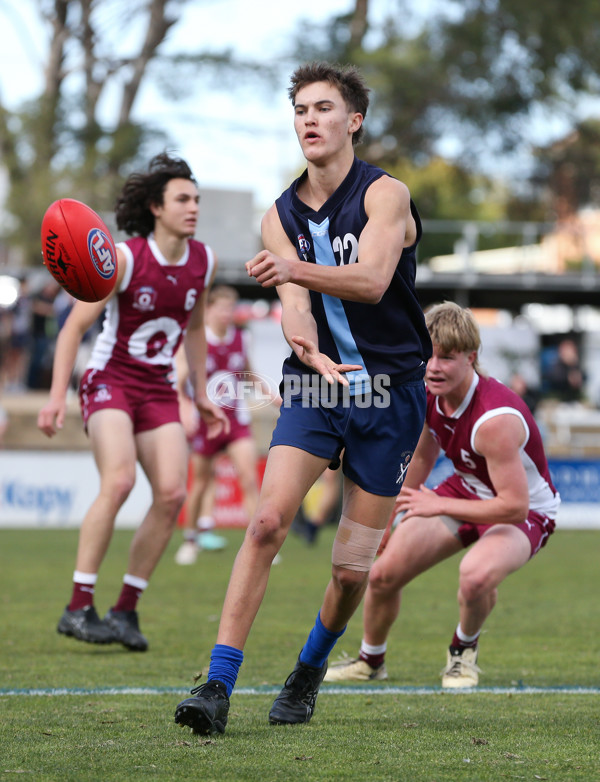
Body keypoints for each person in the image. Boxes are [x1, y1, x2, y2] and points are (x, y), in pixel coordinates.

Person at [174, 61, 431, 735]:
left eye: (323, 108)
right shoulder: (279, 214)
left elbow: (373, 281)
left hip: (390, 394)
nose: (309, 119)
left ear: (354, 121)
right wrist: (306, 342)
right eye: (299, 110)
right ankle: (217, 685)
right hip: (315, 386)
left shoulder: (386, 196)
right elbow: (295, 306)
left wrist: (292, 270)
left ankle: (309, 669)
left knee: (350, 571)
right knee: (264, 523)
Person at [38, 153, 228, 651]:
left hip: (160, 388)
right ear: (156, 207)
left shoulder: (203, 261)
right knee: (119, 481)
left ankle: (125, 610)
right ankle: (78, 606)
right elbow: (73, 329)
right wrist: (57, 397)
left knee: (171, 495)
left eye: (197, 200)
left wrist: (202, 393)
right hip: (111, 380)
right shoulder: (121, 258)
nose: (193, 208)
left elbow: (194, 329)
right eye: (183, 199)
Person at [324, 301, 560, 688]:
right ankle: (371, 661)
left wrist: (436, 504)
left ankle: (462, 654)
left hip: (526, 510)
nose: (433, 366)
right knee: (382, 575)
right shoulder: (428, 392)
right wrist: (386, 521)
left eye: (447, 358)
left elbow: (515, 506)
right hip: (468, 490)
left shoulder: (494, 419)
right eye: (428, 354)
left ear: (472, 358)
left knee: (474, 575)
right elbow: (419, 458)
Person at [174, 284, 270, 565]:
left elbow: (248, 373)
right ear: (209, 310)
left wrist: (271, 394)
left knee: (249, 478)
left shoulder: (241, 338)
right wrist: (185, 405)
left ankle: (258, 544)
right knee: (200, 484)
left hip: (236, 422)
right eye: (222, 308)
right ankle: (190, 540)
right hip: (206, 423)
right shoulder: (195, 340)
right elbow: (180, 379)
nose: (228, 313)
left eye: (232, 308)